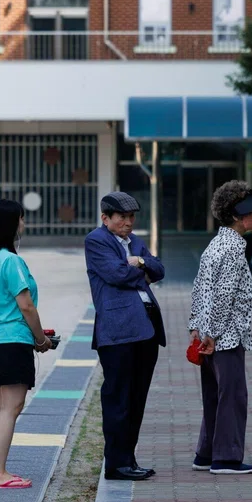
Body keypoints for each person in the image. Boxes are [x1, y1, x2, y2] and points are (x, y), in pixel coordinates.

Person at [188, 181, 252, 475]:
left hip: (208, 333)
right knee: (233, 395)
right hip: (226, 335)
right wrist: (213, 334)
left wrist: (197, 327)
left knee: (214, 395)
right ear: (238, 216)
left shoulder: (216, 243)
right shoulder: (235, 248)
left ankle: (206, 453)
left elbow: (200, 288)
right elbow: (224, 295)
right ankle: (226, 458)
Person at [85, 192, 166, 481]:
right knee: (118, 398)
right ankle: (117, 464)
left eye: (131, 217)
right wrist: (137, 268)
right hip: (118, 331)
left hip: (147, 329)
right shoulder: (96, 240)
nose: (128, 222)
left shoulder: (135, 243)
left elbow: (159, 269)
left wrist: (141, 263)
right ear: (105, 218)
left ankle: (129, 459)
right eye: (122, 217)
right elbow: (117, 275)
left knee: (136, 398)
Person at [0, 199, 52, 489]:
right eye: (21, 219)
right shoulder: (11, 260)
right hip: (13, 341)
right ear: (12, 223)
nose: (24, 223)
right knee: (11, 407)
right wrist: (41, 338)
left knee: (3, 408)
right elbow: (26, 306)